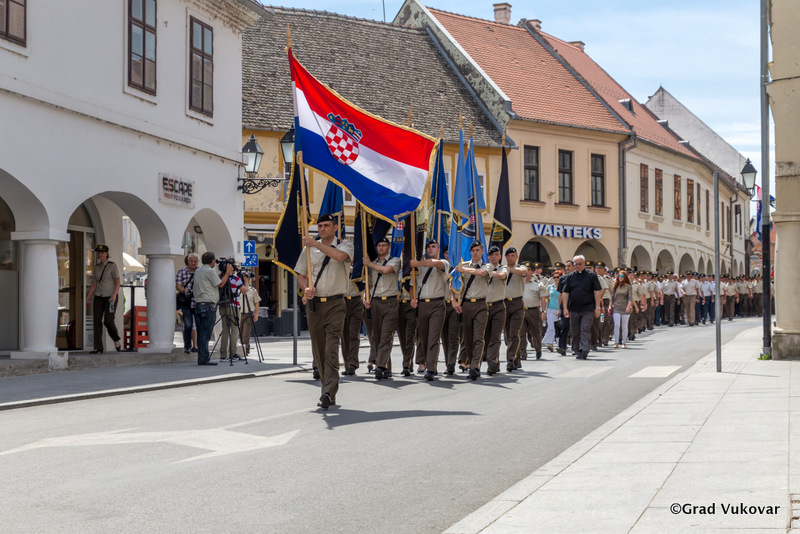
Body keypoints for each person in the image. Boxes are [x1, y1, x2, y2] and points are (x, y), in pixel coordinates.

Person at [296, 213, 353, 409]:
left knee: (331, 348)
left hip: (336, 303)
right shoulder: (308, 250)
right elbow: (301, 275)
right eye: (320, 226)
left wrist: (314, 243)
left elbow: (339, 257)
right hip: (315, 305)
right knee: (319, 350)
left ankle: (327, 391)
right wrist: (306, 289)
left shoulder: (345, 244)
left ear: (335, 227)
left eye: (326, 225)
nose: (322, 229)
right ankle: (327, 388)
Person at [410, 240, 449, 381]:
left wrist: (417, 263)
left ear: (438, 250)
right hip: (422, 305)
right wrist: (412, 298)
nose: (430, 249)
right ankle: (428, 362)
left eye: (433, 247)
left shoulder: (443, 263)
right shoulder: (419, 267)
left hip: (437, 304)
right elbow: (412, 285)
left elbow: (434, 263)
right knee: (424, 338)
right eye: (428, 247)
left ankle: (431, 369)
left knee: (433, 337)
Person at [452, 241, 491, 380]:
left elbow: (481, 273)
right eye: (473, 250)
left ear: (482, 251)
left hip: (481, 304)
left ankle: (475, 366)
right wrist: (453, 300)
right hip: (466, 305)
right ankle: (470, 362)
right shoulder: (463, 265)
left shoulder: (487, 266)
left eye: (478, 250)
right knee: (467, 338)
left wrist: (464, 269)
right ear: (470, 252)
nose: (475, 253)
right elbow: (452, 283)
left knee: (478, 338)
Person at [363, 237, 400, 381]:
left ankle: (379, 365)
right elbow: (369, 284)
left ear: (389, 247)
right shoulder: (372, 263)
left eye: (384, 245)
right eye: (379, 245)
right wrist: (366, 298)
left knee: (386, 335)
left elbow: (386, 270)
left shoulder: (394, 261)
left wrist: (369, 264)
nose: (381, 247)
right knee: (377, 337)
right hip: (376, 302)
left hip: (390, 302)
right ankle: (386, 368)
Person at [194, 251, 234, 366]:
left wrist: (221, 274)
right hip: (208, 305)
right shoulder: (210, 271)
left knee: (201, 333)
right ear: (212, 261)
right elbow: (220, 284)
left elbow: (212, 281)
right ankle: (204, 359)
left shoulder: (198, 271)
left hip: (199, 304)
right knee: (206, 334)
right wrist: (227, 273)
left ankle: (202, 358)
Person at [560, 255, 602, 360]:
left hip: (588, 307)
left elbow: (597, 291)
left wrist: (597, 307)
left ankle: (584, 349)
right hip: (574, 308)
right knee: (575, 330)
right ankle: (577, 350)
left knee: (585, 328)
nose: (578, 266)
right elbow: (565, 293)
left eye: (580, 264)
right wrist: (565, 308)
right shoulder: (570, 276)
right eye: (576, 264)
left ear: (584, 263)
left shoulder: (591, 275)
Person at [86, 244, 122, 353]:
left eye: (102, 252)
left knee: (108, 320)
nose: (100, 254)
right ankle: (98, 347)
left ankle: (116, 340)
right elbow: (94, 284)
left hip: (110, 297)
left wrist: (114, 295)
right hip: (99, 296)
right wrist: (88, 298)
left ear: (107, 253)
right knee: (97, 320)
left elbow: (117, 281)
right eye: (98, 252)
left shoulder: (112, 266)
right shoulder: (96, 267)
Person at [483, 245, 508, 375]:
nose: (494, 257)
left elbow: (502, 275)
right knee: (486, 337)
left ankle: (491, 363)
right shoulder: (483, 268)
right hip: (484, 306)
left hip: (498, 306)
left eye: (496, 255)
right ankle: (495, 362)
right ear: (488, 256)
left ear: (500, 256)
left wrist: (485, 272)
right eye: (491, 255)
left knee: (495, 336)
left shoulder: (503, 268)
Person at [502, 250, 529, 369]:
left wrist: (507, 270)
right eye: (508, 256)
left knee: (514, 333)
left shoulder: (521, 268)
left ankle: (510, 360)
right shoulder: (502, 269)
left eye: (513, 256)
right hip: (504, 303)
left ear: (517, 256)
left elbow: (523, 272)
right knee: (508, 334)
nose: (510, 258)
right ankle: (516, 359)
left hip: (517, 303)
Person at [340, 269, 364, 376]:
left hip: (356, 300)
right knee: (344, 335)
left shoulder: (359, 266)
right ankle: (347, 363)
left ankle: (352, 363)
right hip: (342, 301)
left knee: (354, 334)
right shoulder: (340, 265)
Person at [175, 253, 199, 353]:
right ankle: (187, 346)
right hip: (186, 302)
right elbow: (178, 285)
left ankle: (196, 345)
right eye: (191, 261)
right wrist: (184, 290)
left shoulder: (200, 271)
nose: (193, 263)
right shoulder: (181, 271)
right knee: (188, 325)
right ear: (188, 261)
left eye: (195, 261)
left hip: (197, 301)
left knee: (197, 325)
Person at [609, 271, 634, 348]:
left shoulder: (628, 286)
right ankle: (616, 342)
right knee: (616, 325)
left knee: (624, 326)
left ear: (625, 277)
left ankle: (624, 342)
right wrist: (610, 306)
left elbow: (630, 297)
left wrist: (629, 306)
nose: (620, 277)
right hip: (616, 307)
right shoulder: (615, 285)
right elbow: (612, 297)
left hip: (625, 307)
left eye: (622, 276)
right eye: (619, 276)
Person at [239, 272, 261, 357]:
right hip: (239, 314)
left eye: (246, 277)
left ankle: (246, 350)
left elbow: (256, 302)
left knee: (245, 333)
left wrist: (256, 314)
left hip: (249, 314)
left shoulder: (252, 290)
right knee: (239, 333)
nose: (244, 278)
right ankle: (240, 349)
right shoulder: (238, 289)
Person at [542, 270, 563, 352]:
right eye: (554, 277)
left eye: (557, 277)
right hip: (551, 309)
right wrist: (544, 310)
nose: (556, 279)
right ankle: (549, 343)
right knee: (551, 327)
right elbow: (545, 298)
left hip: (560, 309)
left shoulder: (564, 287)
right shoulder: (550, 287)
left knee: (559, 328)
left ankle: (559, 345)